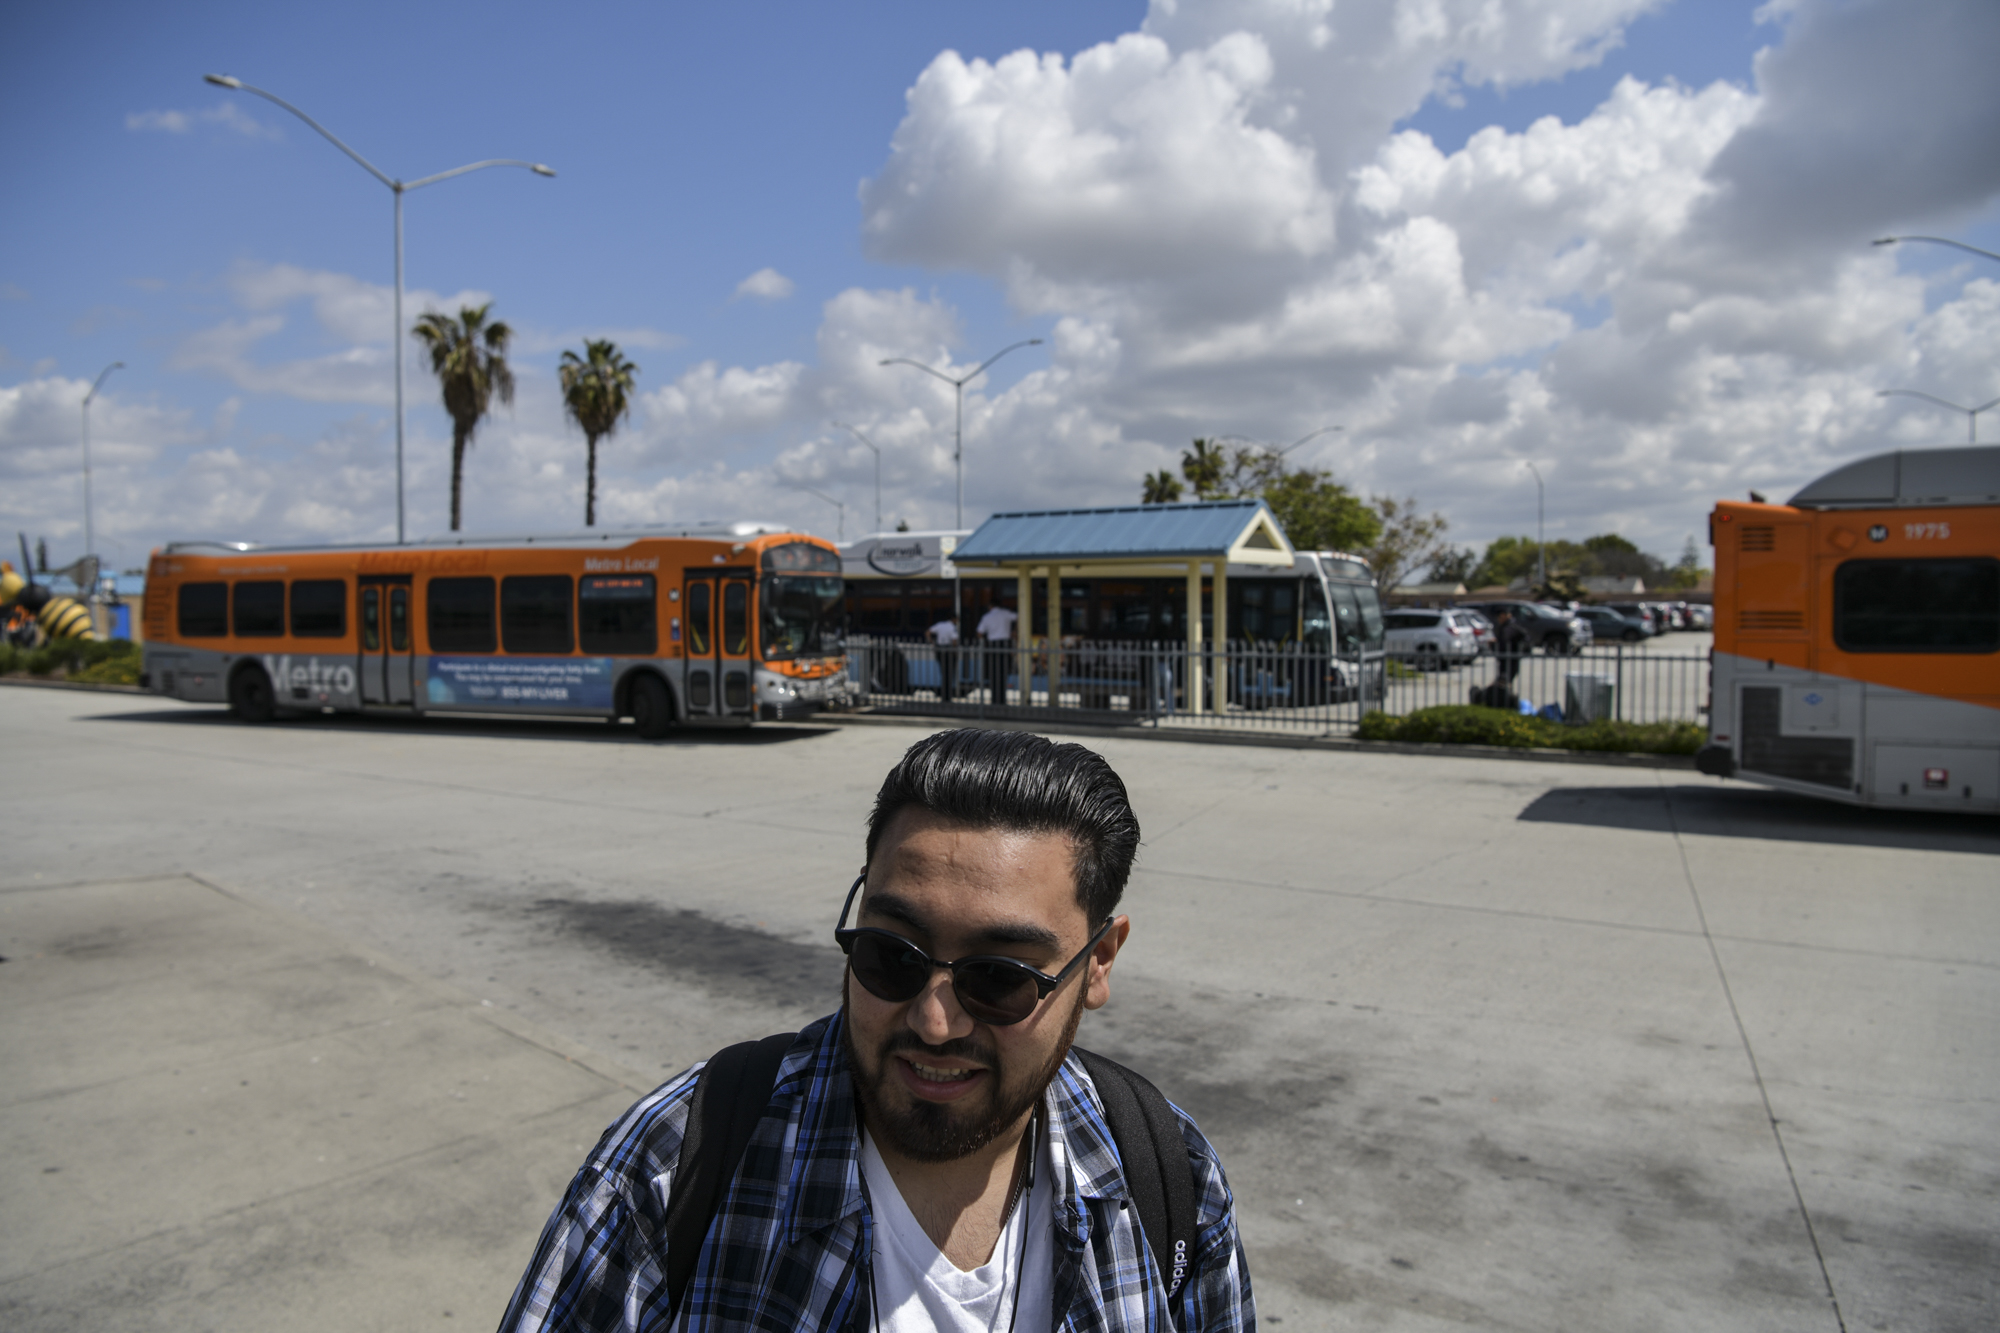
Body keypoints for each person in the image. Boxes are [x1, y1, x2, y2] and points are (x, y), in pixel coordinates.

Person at [498, 729, 1254, 1333]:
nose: (933, 1019)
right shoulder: (671, 1172)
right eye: (891, 956)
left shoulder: (1168, 1177)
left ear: (1098, 963)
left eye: (998, 978)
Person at [975, 600, 1018, 706]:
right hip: (1005, 644)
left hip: (992, 644)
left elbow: (979, 633)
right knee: (1003, 672)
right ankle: (1002, 699)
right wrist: (1014, 631)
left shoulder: (986, 616)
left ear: (990, 606)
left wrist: (985, 641)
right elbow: (1019, 617)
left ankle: (994, 699)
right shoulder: (1006, 613)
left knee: (993, 672)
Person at [927, 613, 961, 702]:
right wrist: (955, 652)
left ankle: (944, 696)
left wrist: (932, 643)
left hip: (939, 650)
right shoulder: (952, 627)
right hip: (948, 651)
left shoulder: (940, 625)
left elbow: (928, 632)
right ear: (954, 619)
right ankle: (947, 696)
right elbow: (954, 641)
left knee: (943, 673)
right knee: (949, 674)